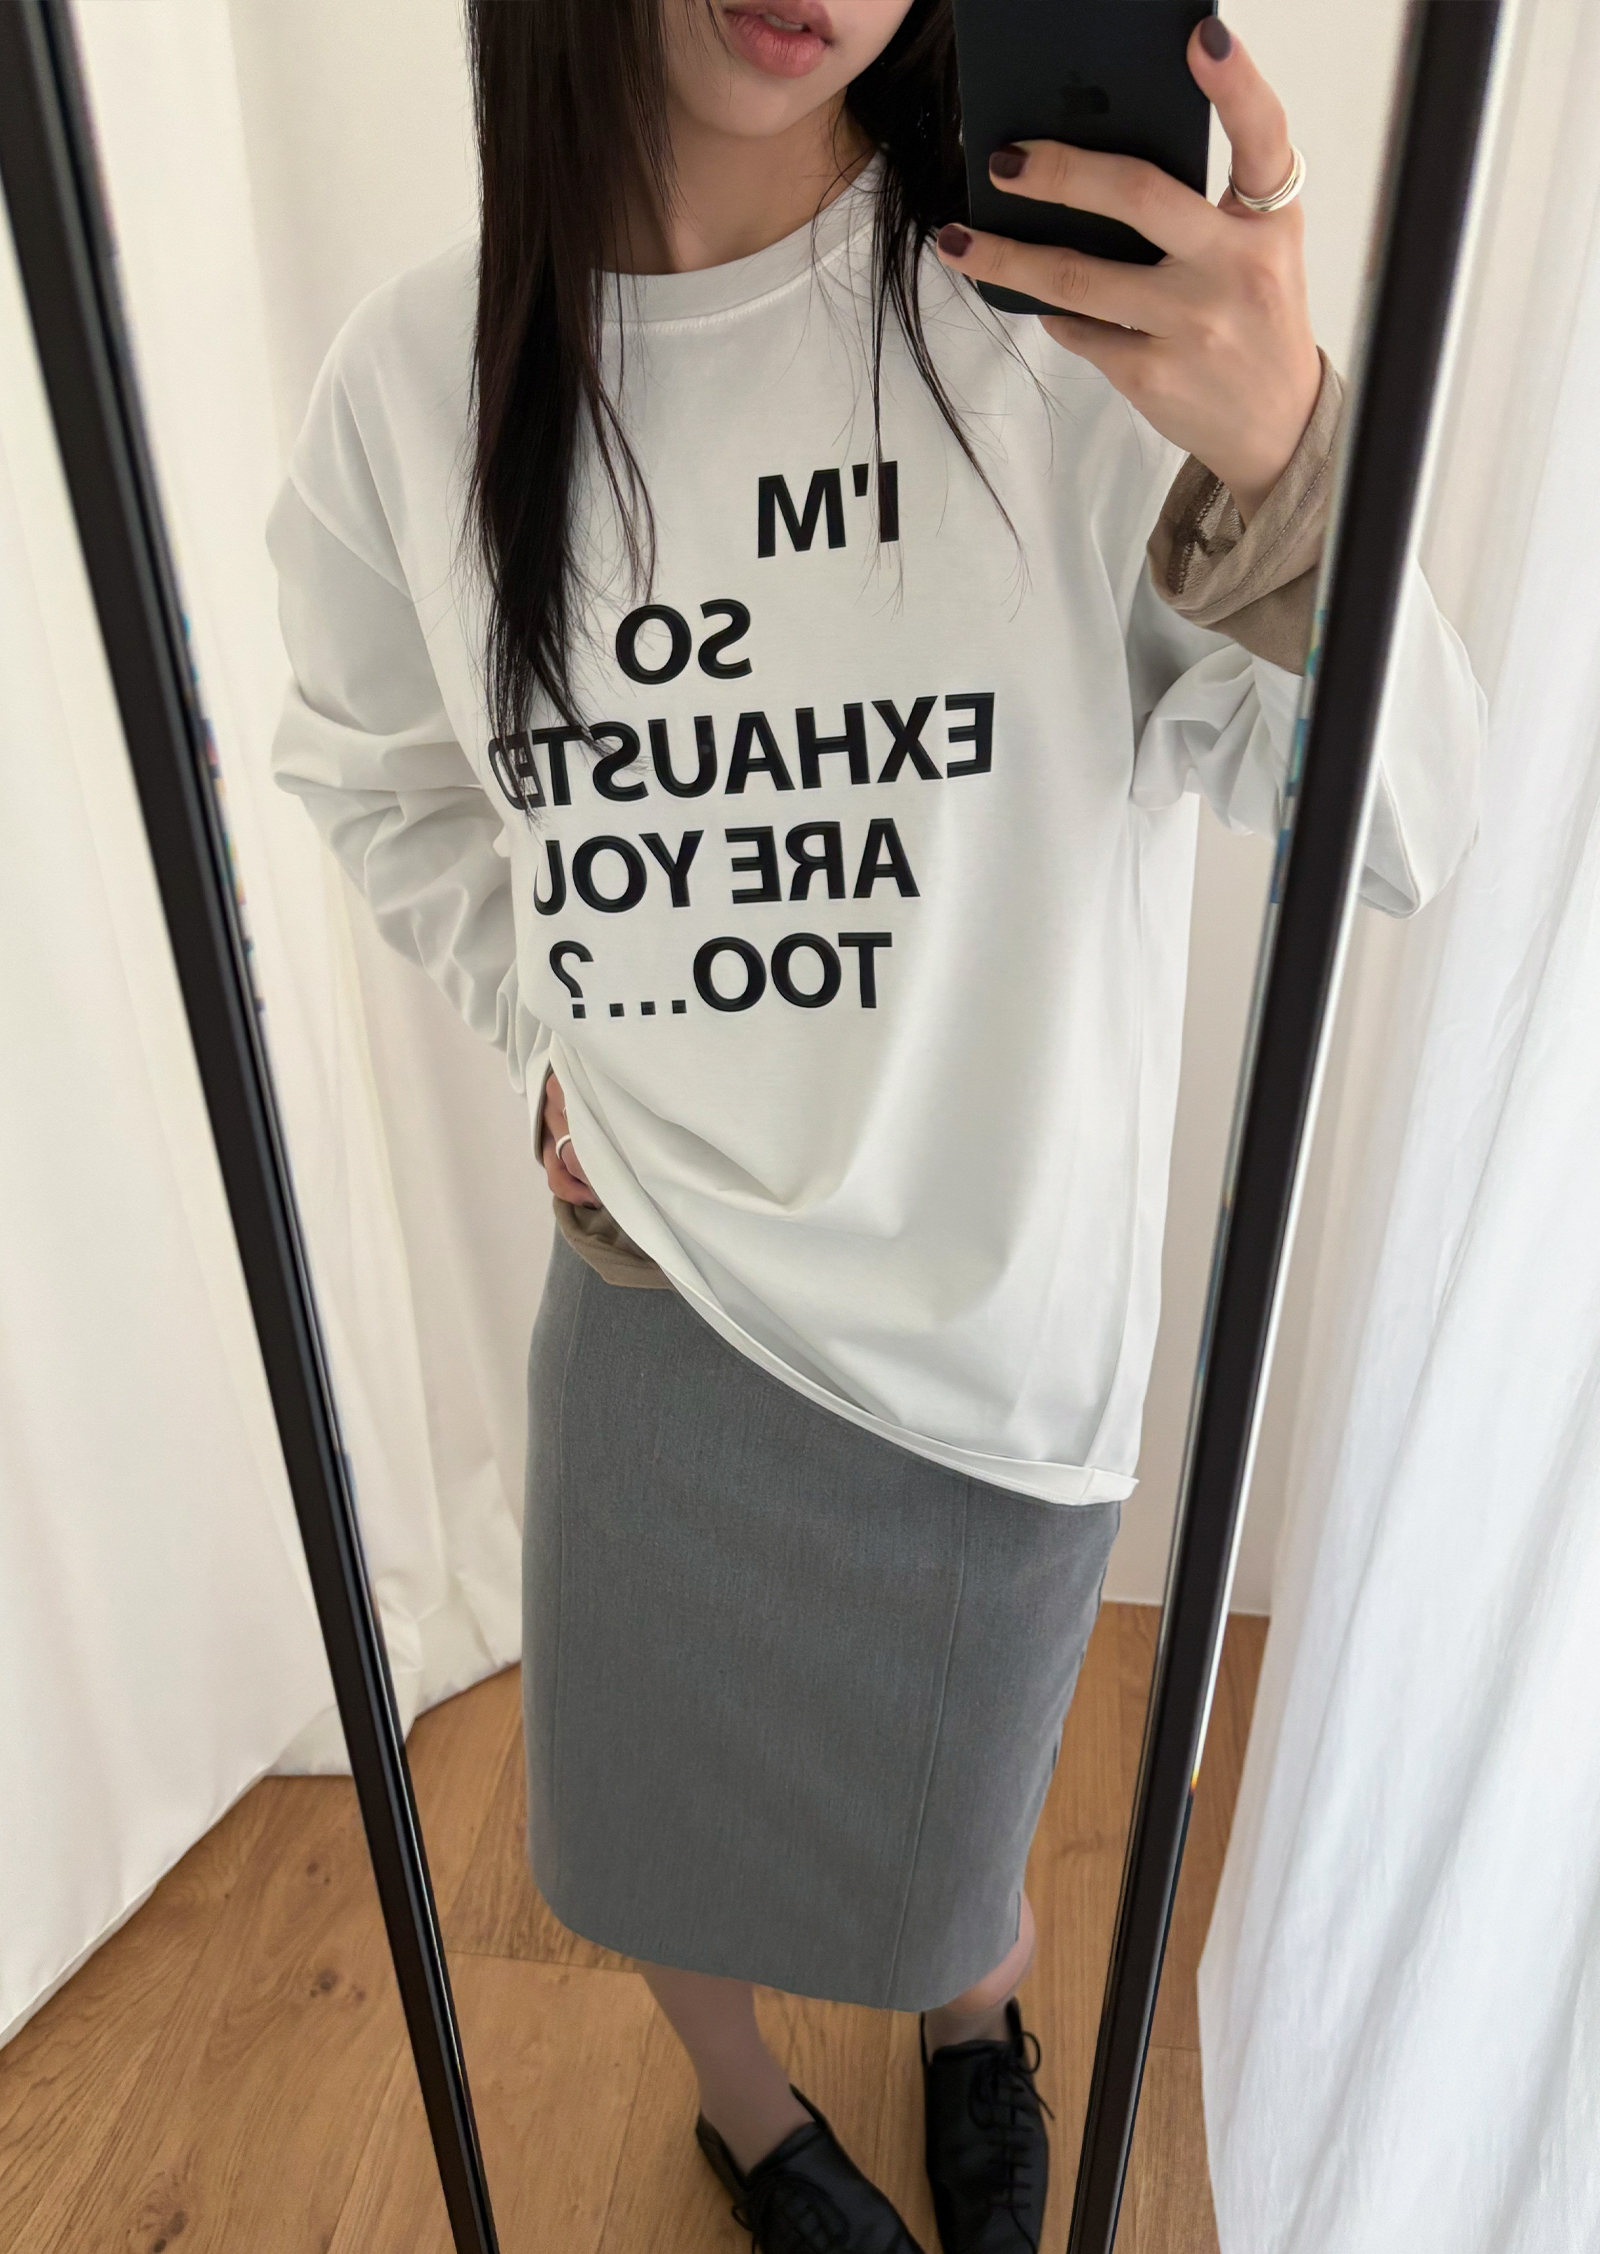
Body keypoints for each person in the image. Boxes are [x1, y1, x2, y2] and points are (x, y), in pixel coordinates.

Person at [268, 5, 1483, 2248]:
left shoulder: (1061, 344)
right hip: (660, 1312)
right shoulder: (418, 378)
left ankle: (967, 2033)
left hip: (980, 1340)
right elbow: (377, 768)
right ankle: (750, 2120)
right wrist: (551, 1026)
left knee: (949, 1860)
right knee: (642, 1835)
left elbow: (1403, 832)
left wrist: (1295, 457)